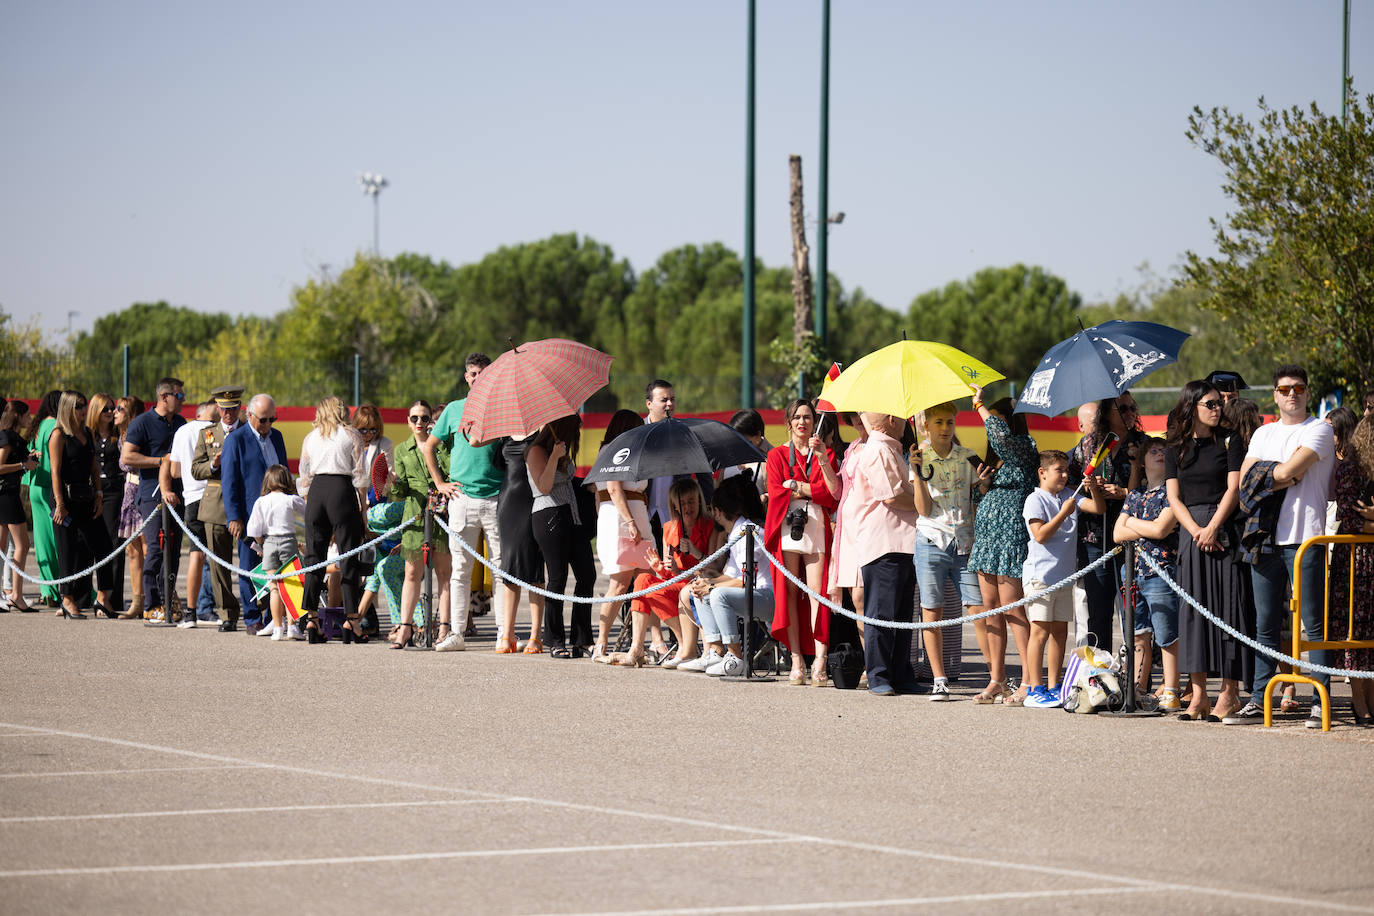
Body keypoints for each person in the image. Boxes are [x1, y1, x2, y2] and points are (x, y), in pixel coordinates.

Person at [1233, 365, 1335, 727]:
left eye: (1299, 388)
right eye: (1285, 388)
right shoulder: (1263, 432)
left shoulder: (1321, 429)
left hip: (1305, 537)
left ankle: (1319, 700)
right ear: (1275, 394)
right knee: (1265, 625)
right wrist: (1280, 474)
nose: (1292, 393)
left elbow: (1289, 468)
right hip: (1264, 538)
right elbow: (1249, 477)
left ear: (1308, 392)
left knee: (1314, 624)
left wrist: (1271, 473)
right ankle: (1261, 699)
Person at [1165, 380, 1251, 721]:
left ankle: (1228, 692)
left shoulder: (1231, 440)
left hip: (1225, 527)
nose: (1218, 409)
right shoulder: (1175, 446)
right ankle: (1198, 694)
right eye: (1211, 404)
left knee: (1229, 610)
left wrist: (1214, 526)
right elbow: (1173, 497)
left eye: (1219, 403)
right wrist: (1196, 530)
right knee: (1194, 613)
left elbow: (1234, 488)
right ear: (1192, 407)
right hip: (1191, 532)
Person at [910, 401, 991, 701]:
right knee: (932, 612)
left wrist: (982, 485)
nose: (945, 428)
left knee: (979, 610)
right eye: (939, 423)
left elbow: (979, 496)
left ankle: (995, 677)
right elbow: (923, 509)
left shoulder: (966, 456)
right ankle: (939, 679)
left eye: (949, 422)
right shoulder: (920, 458)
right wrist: (916, 474)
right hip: (931, 541)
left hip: (964, 544)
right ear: (927, 426)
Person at [425, 353, 504, 651]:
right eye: (472, 373)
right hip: (461, 497)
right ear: (466, 376)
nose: (477, 377)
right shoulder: (455, 409)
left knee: (500, 568)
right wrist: (439, 483)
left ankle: (503, 633)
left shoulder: (501, 409)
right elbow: (429, 447)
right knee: (460, 569)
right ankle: (456, 633)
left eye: (482, 372)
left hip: (496, 496)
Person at [966, 390, 1039, 704]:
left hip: (1010, 539)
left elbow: (1002, 439)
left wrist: (980, 407)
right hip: (986, 540)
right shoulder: (995, 457)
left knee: (1013, 608)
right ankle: (997, 679)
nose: (991, 429)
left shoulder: (1023, 447)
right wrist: (982, 485)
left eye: (997, 423)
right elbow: (978, 500)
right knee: (990, 612)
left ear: (1011, 424)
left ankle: (1028, 680)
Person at [764, 398, 840, 686]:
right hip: (786, 528)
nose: (803, 422)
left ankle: (820, 659)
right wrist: (811, 491)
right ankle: (796, 659)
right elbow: (775, 493)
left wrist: (797, 486)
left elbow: (831, 494)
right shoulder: (777, 456)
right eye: (797, 417)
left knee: (818, 595)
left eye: (808, 416)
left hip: (818, 527)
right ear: (788, 422)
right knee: (789, 595)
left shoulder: (827, 454)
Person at [1022, 450, 1104, 708]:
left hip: (1064, 578)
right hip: (1041, 578)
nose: (1066, 474)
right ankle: (1035, 688)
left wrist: (1093, 490)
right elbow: (1040, 535)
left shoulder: (1071, 495)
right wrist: (1063, 513)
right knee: (1040, 632)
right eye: (1059, 469)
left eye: (1067, 469)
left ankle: (1054, 685)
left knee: (1059, 633)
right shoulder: (1035, 500)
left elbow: (1098, 508)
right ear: (1042, 472)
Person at [1067, 392, 1143, 653]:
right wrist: (1092, 488)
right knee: (1098, 612)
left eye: (1133, 407)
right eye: (1124, 408)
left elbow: (1159, 488)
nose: (1131, 412)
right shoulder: (1089, 445)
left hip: (1133, 537)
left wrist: (1122, 493)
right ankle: (1101, 676)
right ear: (1107, 412)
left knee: (1134, 611)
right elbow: (1070, 485)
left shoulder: (1143, 444)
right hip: (1094, 539)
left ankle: (1135, 680)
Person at [851, 412, 921, 696]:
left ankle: (900, 673)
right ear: (891, 419)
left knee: (903, 616)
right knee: (881, 614)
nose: (906, 422)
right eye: (903, 418)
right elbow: (891, 496)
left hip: (901, 541)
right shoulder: (879, 449)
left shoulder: (890, 448)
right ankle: (879, 674)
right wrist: (923, 502)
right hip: (884, 543)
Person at [1113, 437, 1181, 709]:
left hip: (1160, 570)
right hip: (1132, 571)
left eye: (1164, 450)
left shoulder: (1173, 492)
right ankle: (1138, 688)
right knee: (1138, 632)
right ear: (1142, 461)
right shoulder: (1134, 495)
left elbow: (1161, 530)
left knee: (1166, 633)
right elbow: (1118, 534)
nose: (1159, 454)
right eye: (1153, 451)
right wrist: (1144, 525)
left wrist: (1130, 521)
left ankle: (1171, 689)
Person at [297, 395, 367, 644]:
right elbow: (359, 474)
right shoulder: (351, 435)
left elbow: (304, 476)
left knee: (314, 556)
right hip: (341, 490)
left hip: (317, 491)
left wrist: (309, 503)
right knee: (349, 555)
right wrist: (363, 510)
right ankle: (352, 618)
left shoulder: (311, 437)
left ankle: (312, 618)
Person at [623, 478, 714, 669]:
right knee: (642, 579)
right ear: (675, 506)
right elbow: (668, 575)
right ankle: (636, 647)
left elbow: (713, 566)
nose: (688, 507)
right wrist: (659, 567)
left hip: (697, 582)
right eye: (682, 503)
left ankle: (684, 645)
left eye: (692, 502)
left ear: (699, 501)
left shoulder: (709, 525)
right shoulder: (668, 528)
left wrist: (694, 551)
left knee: (654, 591)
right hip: (676, 582)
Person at [525, 414, 596, 658]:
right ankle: (555, 639)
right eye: (575, 431)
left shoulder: (563, 451)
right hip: (549, 515)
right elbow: (543, 486)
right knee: (557, 578)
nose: (577, 437)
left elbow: (566, 481)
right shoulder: (535, 451)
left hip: (572, 515)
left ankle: (582, 638)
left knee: (587, 574)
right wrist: (554, 457)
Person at [588, 409, 655, 662]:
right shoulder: (615, 450)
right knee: (619, 582)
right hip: (622, 516)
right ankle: (601, 642)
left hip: (626, 514)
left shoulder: (615, 450)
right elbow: (614, 488)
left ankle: (638, 643)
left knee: (644, 580)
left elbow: (599, 494)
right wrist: (629, 521)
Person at [687, 474, 769, 677]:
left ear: (717, 512)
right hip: (752, 594)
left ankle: (735, 657)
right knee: (701, 589)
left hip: (766, 598)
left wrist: (712, 587)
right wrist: (707, 582)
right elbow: (731, 576)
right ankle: (716, 650)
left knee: (716, 594)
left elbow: (745, 581)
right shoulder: (737, 532)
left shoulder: (746, 532)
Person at [121, 377, 187, 622]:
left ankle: (168, 601)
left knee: (174, 551)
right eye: (179, 396)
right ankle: (151, 604)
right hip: (151, 495)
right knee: (156, 550)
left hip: (177, 495)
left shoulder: (180, 423)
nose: (183, 400)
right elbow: (128, 457)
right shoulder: (142, 423)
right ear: (164, 397)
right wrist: (160, 461)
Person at [222, 394, 288, 635]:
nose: (268, 424)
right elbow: (229, 481)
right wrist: (234, 516)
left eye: (273, 419)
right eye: (263, 420)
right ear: (249, 415)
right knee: (250, 567)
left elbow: (285, 472)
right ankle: (252, 618)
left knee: (277, 566)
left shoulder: (277, 437)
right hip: (250, 516)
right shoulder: (236, 440)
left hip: (277, 515)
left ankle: (274, 617)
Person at [388, 400, 451, 651]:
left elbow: (448, 474)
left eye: (424, 418)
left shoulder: (441, 446)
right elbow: (400, 492)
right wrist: (392, 482)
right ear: (408, 420)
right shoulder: (402, 449)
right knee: (412, 574)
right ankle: (405, 628)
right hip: (414, 516)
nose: (419, 423)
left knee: (444, 575)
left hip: (440, 515)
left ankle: (444, 627)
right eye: (414, 418)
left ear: (430, 422)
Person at [48, 391, 117, 619]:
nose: (83, 410)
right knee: (67, 551)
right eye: (78, 406)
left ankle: (102, 597)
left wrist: (98, 494)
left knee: (104, 547)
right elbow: (55, 473)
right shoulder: (58, 435)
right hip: (64, 499)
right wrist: (59, 504)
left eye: (84, 405)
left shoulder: (86, 432)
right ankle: (67, 599)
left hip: (86, 497)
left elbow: (94, 468)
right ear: (67, 408)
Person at [1329, 414, 1374, 724]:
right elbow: (1349, 517)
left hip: (1366, 553)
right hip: (1357, 559)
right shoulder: (1350, 469)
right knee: (1355, 628)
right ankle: (1359, 701)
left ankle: (1369, 698)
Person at [191, 386, 246, 632]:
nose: (228, 414)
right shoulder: (208, 434)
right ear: (217, 409)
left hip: (244, 502)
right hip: (216, 501)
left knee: (250, 560)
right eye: (224, 409)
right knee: (218, 564)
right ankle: (228, 614)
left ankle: (259, 610)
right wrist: (213, 464)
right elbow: (195, 469)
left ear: (239, 409)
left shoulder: (248, 432)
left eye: (233, 409)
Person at [161, 399, 217, 629]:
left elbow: (173, 469)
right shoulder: (215, 430)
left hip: (192, 497)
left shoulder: (182, 431)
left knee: (196, 554)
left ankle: (192, 612)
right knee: (217, 555)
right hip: (213, 494)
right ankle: (213, 608)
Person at [491, 428, 547, 655]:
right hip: (508, 502)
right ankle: (508, 634)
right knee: (510, 569)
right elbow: (495, 462)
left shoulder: (543, 433)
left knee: (534, 570)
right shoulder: (505, 433)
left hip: (533, 501)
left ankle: (536, 636)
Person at [246, 465, 307, 642]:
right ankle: (292, 626)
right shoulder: (291, 500)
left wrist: (261, 546)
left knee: (274, 588)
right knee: (291, 585)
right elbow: (308, 512)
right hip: (288, 541)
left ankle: (277, 628)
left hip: (270, 542)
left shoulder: (261, 501)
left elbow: (255, 530)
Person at [85, 394, 125, 615]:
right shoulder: (86, 434)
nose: (111, 412)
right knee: (88, 543)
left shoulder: (117, 435)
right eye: (106, 409)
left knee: (112, 543)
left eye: (113, 408)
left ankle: (111, 598)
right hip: (91, 491)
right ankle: (84, 596)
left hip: (113, 491)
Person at [0, 400, 39, 611]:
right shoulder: (6, 436)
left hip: (8, 493)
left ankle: (13, 593)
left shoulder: (13, 437)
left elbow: (15, 466)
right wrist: (24, 464)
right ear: (17, 416)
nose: (29, 419)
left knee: (5, 544)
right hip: (6, 495)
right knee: (22, 544)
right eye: (26, 415)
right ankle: (16, 594)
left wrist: (30, 460)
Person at [26, 390, 63, 607]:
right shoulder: (58, 426)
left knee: (42, 541)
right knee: (58, 539)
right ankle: (62, 588)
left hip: (34, 485)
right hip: (51, 486)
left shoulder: (38, 426)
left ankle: (47, 590)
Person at [114, 397, 146, 618]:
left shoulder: (140, 435)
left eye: (120, 409)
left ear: (132, 414)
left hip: (142, 491)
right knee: (132, 551)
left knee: (148, 549)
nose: (114, 412)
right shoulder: (121, 436)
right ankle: (137, 602)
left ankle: (158, 599)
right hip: (129, 492)